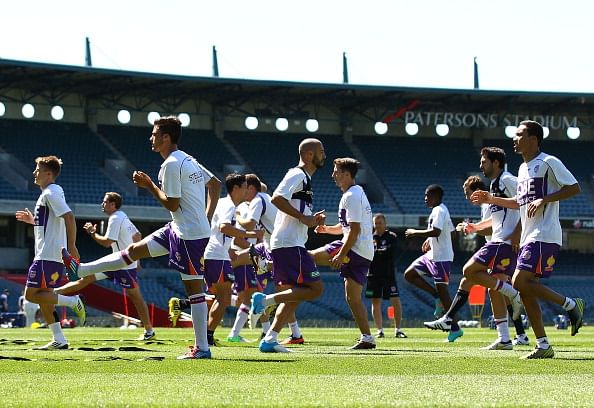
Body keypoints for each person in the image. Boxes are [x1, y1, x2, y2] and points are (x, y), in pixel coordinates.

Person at [62, 116, 221, 359]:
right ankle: (80, 270)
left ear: (166, 137)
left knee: (194, 290)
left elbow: (173, 203)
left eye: (155, 133)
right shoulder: (188, 158)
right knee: (134, 250)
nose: (151, 138)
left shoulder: (171, 164)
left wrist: (149, 185)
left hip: (189, 235)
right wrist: (205, 217)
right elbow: (216, 185)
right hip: (180, 228)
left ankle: (202, 348)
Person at [471, 120, 585, 359]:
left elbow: (574, 188)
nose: (515, 139)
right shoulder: (522, 170)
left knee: (519, 281)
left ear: (533, 139)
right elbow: (519, 203)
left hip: (544, 234)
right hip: (528, 236)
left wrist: (544, 199)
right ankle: (543, 345)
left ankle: (571, 305)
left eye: (519, 134)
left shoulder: (548, 162)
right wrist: (491, 199)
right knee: (524, 290)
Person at [425, 152, 525, 350]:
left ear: (496, 163)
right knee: (494, 289)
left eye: (484, 162)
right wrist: (475, 228)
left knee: (468, 271)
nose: (481, 165)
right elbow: (497, 219)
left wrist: (517, 232)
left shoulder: (506, 179)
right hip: (499, 241)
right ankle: (505, 338)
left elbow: (526, 201)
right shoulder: (496, 186)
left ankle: (513, 294)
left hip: (502, 243)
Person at [249, 138, 326, 353]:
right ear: (309, 155)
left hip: (290, 242)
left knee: (297, 292)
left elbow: (293, 208)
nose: (324, 155)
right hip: (289, 243)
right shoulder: (297, 174)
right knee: (316, 289)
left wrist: (311, 219)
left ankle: (270, 339)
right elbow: (277, 198)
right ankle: (264, 301)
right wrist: (304, 218)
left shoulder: (306, 180)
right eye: (321, 151)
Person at [53, 192, 155, 340]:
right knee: (85, 279)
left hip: (123, 265)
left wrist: (93, 233)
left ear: (113, 204)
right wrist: (137, 260)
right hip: (117, 263)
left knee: (136, 297)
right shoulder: (122, 216)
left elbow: (107, 242)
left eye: (105, 202)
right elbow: (137, 235)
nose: (102, 204)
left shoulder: (115, 217)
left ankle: (149, 331)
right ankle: (52, 293)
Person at [15, 155, 86, 350]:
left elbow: (69, 217)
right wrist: (33, 221)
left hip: (47, 255)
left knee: (31, 295)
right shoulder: (49, 193)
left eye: (37, 170)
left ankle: (73, 301)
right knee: (45, 298)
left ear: (48, 173)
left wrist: (72, 246)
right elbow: (53, 221)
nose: (34, 173)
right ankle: (59, 339)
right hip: (49, 254)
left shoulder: (51, 192)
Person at [310, 158, 376, 349]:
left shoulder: (351, 196)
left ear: (347, 174)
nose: (333, 175)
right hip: (363, 251)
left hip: (354, 248)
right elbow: (346, 227)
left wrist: (340, 255)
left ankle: (278, 275)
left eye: (336, 171)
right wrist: (327, 230)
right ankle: (367, 338)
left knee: (309, 257)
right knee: (352, 298)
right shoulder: (357, 193)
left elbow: (353, 231)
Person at [202, 173, 262, 346]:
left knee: (221, 297)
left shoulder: (223, 203)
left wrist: (229, 250)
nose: (246, 191)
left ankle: (207, 335)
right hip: (216, 255)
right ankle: (206, 337)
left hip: (218, 254)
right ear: (236, 188)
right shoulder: (229, 205)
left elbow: (217, 230)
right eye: (244, 187)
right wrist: (249, 234)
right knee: (224, 298)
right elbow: (224, 227)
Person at [403, 184, 463, 342]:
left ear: (435, 196)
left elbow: (437, 231)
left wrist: (415, 232)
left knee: (445, 294)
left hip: (441, 258)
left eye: (427, 195)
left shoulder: (439, 210)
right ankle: (435, 295)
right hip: (433, 255)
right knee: (409, 274)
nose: (425, 198)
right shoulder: (441, 210)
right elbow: (450, 232)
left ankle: (455, 328)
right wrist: (431, 240)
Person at [365, 213, 407, 339]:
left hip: (388, 274)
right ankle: (379, 330)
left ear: (385, 223)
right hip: (372, 274)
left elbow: (390, 253)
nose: (377, 225)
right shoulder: (369, 237)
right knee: (375, 301)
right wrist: (380, 252)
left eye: (380, 223)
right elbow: (368, 254)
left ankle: (398, 329)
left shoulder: (391, 237)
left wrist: (378, 253)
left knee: (395, 301)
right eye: (375, 223)